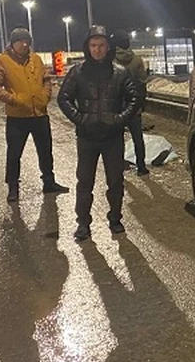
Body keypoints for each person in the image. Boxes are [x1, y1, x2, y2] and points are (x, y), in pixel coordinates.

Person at [57, 25, 139, 241]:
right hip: (87, 137)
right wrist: (80, 119)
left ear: (107, 47)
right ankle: (83, 222)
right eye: (93, 45)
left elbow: (135, 98)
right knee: (84, 182)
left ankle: (115, 218)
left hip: (112, 138)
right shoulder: (77, 72)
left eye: (101, 45)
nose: (97, 49)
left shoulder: (120, 73)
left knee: (115, 181)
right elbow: (63, 98)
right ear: (87, 47)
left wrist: (119, 119)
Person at [0, 26, 69, 202]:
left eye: (27, 41)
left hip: (40, 114)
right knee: (14, 153)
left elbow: (46, 79)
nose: (25, 45)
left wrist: (45, 95)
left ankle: (49, 182)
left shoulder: (36, 59)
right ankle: (13, 188)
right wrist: (13, 99)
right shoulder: (2, 61)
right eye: (21, 41)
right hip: (17, 117)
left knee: (45, 151)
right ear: (13, 43)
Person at [112, 31, 150, 175]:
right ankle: (141, 166)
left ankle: (120, 164)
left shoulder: (112, 61)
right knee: (137, 137)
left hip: (117, 106)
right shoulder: (137, 59)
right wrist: (141, 104)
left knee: (118, 138)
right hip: (134, 104)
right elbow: (142, 82)